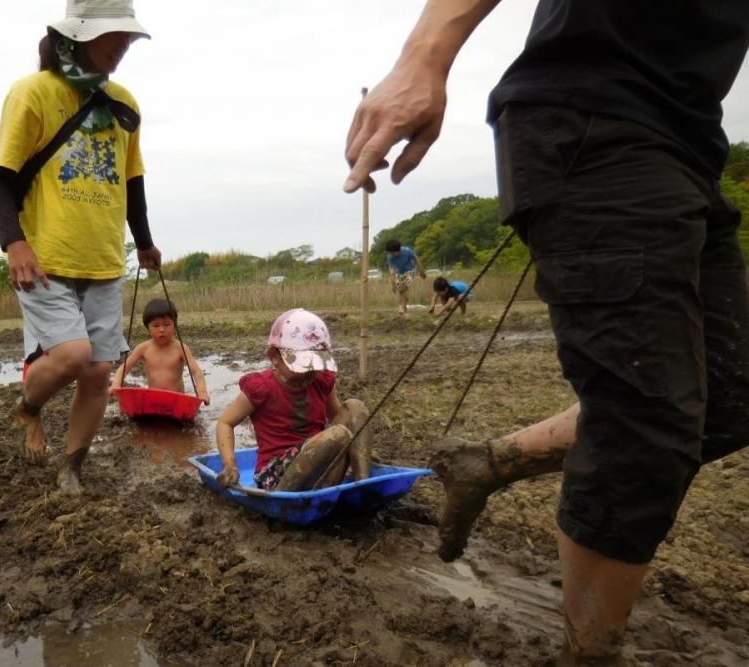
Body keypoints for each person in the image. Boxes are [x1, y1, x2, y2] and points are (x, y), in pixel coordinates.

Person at [343, 1, 749, 663]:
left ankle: (486, 462)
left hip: (691, 141)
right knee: (643, 421)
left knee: (730, 398)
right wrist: (424, 57)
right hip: (595, 120)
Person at [0, 0, 162, 493]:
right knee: (71, 355)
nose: (123, 46)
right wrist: (14, 242)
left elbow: (133, 181)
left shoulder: (124, 102)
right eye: (115, 36)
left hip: (103, 259)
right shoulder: (34, 93)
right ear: (79, 34)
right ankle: (28, 409)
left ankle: (72, 467)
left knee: (98, 371)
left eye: (128, 38)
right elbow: (0, 176)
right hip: (45, 258)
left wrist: (144, 243)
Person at [215, 308, 372, 491]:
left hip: (317, 464)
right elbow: (225, 423)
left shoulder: (320, 380)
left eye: (313, 365)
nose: (308, 372)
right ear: (275, 357)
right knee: (339, 435)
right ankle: (285, 499)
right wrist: (230, 465)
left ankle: (363, 483)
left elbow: (340, 418)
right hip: (276, 475)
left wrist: (360, 451)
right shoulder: (262, 387)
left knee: (354, 407)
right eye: (301, 365)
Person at [111, 298, 210, 404]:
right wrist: (116, 384)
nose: (162, 329)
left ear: (174, 325)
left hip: (176, 401)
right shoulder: (143, 348)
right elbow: (124, 368)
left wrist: (202, 391)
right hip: (154, 400)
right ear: (148, 327)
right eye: (156, 325)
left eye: (167, 324)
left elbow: (196, 371)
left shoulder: (181, 348)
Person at [385, 238, 426, 314]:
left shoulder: (407, 251)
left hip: (409, 272)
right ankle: (404, 308)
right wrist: (393, 284)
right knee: (400, 290)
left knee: (404, 288)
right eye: (390, 253)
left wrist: (422, 271)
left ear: (398, 250)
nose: (391, 255)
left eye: (393, 253)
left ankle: (402, 308)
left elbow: (416, 260)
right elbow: (391, 270)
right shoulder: (390, 257)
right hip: (399, 274)